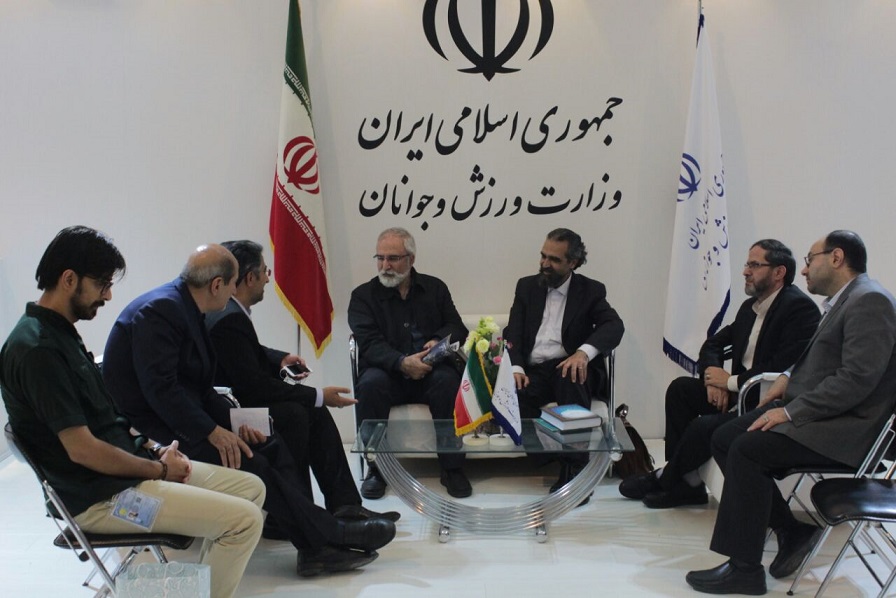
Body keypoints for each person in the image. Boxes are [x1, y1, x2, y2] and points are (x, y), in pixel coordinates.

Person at [0, 226, 266, 598]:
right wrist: (159, 470)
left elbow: (108, 419)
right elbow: (83, 450)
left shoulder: (62, 334)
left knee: (250, 488)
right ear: (69, 279)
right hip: (101, 500)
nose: (108, 295)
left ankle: (196, 591)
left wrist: (155, 450)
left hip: (122, 477)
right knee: (244, 521)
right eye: (102, 284)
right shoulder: (37, 350)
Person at [102, 244, 396, 577]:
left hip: (181, 417)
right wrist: (213, 432)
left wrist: (230, 423)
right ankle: (328, 538)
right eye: (231, 285)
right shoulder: (161, 311)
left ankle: (318, 540)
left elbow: (200, 388)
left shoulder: (184, 306)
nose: (233, 293)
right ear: (217, 285)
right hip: (158, 434)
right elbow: (162, 391)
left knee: (268, 444)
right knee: (253, 461)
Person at [686, 230, 896, 595]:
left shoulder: (870, 301)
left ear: (836, 258)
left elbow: (856, 380)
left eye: (811, 259)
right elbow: (824, 360)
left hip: (847, 430)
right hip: (821, 413)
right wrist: (787, 377)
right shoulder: (848, 299)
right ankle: (791, 529)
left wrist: (791, 412)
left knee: (746, 450)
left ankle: (745, 569)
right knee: (724, 437)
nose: (805, 269)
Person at [206, 239, 398, 522]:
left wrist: (280, 358)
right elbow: (255, 387)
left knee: (311, 411)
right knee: (297, 413)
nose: (268, 279)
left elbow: (248, 352)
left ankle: (343, 505)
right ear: (249, 278)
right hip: (231, 413)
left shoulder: (229, 312)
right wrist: (319, 395)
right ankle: (296, 516)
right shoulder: (228, 318)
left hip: (239, 399)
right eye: (265, 272)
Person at [619, 239, 820, 508]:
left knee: (703, 427)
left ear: (779, 272)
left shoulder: (799, 309)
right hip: (739, 394)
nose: (745, 271)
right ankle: (685, 485)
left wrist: (730, 382)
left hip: (764, 400)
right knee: (680, 390)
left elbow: (784, 366)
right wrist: (714, 378)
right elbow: (714, 343)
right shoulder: (750, 308)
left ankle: (666, 478)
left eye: (754, 265)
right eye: (746, 264)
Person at [348, 227, 470, 499]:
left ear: (411, 259)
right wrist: (401, 362)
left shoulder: (435, 288)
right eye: (380, 258)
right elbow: (369, 342)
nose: (385, 265)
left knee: (448, 381)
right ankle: (377, 469)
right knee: (369, 385)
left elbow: (457, 327)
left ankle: (452, 468)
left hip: (430, 371)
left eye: (393, 258)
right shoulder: (363, 296)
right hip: (386, 373)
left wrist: (436, 340)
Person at [503, 228, 624, 495]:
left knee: (570, 376)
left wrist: (583, 353)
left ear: (573, 263)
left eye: (554, 259)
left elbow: (614, 326)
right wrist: (517, 368)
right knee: (510, 395)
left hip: (570, 365)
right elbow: (514, 331)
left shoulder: (590, 291)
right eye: (543, 256)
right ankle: (550, 455)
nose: (545, 264)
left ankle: (575, 471)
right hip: (535, 370)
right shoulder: (526, 286)